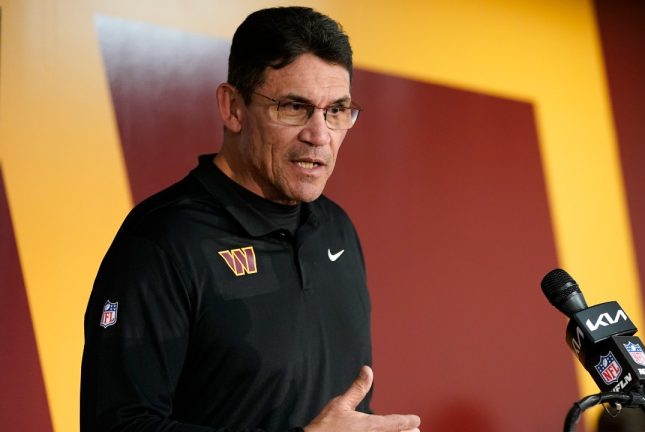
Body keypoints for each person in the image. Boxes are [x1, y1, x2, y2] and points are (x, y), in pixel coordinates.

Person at [80, 7, 420, 432]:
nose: (320, 135)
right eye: (293, 107)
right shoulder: (162, 242)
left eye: (337, 111)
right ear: (233, 108)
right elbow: (119, 425)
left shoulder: (337, 229)